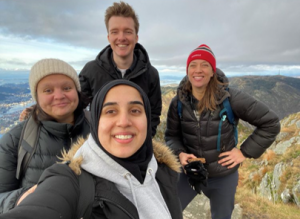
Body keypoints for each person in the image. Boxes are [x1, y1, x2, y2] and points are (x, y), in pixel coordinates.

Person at [0, 79, 183, 219]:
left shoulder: (163, 170)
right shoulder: (72, 180)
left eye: (135, 110)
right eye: (110, 111)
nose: (124, 122)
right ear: (96, 123)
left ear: (147, 119)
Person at [165, 44, 281, 219]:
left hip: (223, 176)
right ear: (187, 71)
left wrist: (244, 152)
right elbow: (172, 136)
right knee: (167, 212)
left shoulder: (230, 98)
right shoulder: (178, 102)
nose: (198, 70)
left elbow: (271, 123)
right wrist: (180, 154)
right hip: (190, 172)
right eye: (193, 65)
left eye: (205, 65)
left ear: (213, 71)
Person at [0, 58, 90, 214]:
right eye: (48, 90)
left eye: (67, 88)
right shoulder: (15, 140)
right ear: (36, 97)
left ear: (77, 90)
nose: (59, 95)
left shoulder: (101, 127)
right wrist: (20, 198)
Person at [79, 1, 162, 137]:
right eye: (115, 32)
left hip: (136, 145)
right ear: (109, 37)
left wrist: (144, 140)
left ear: (136, 38)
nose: (121, 38)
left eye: (127, 32)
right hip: (100, 146)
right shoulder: (91, 70)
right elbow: (74, 107)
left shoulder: (151, 74)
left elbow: (153, 113)